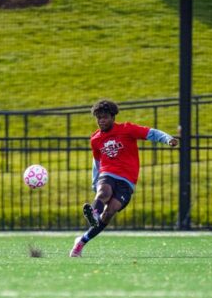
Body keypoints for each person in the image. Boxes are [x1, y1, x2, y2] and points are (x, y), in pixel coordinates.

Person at [70, 100, 179, 258]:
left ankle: (81, 241)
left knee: (109, 213)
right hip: (107, 173)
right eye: (98, 118)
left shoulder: (127, 129)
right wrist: (95, 182)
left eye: (105, 117)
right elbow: (97, 162)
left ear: (113, 117)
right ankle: (93, 213)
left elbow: (151, 133)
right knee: (103, 192)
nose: (101, 120)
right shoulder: (95, 139)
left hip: (127, 180)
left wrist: (168, 139)